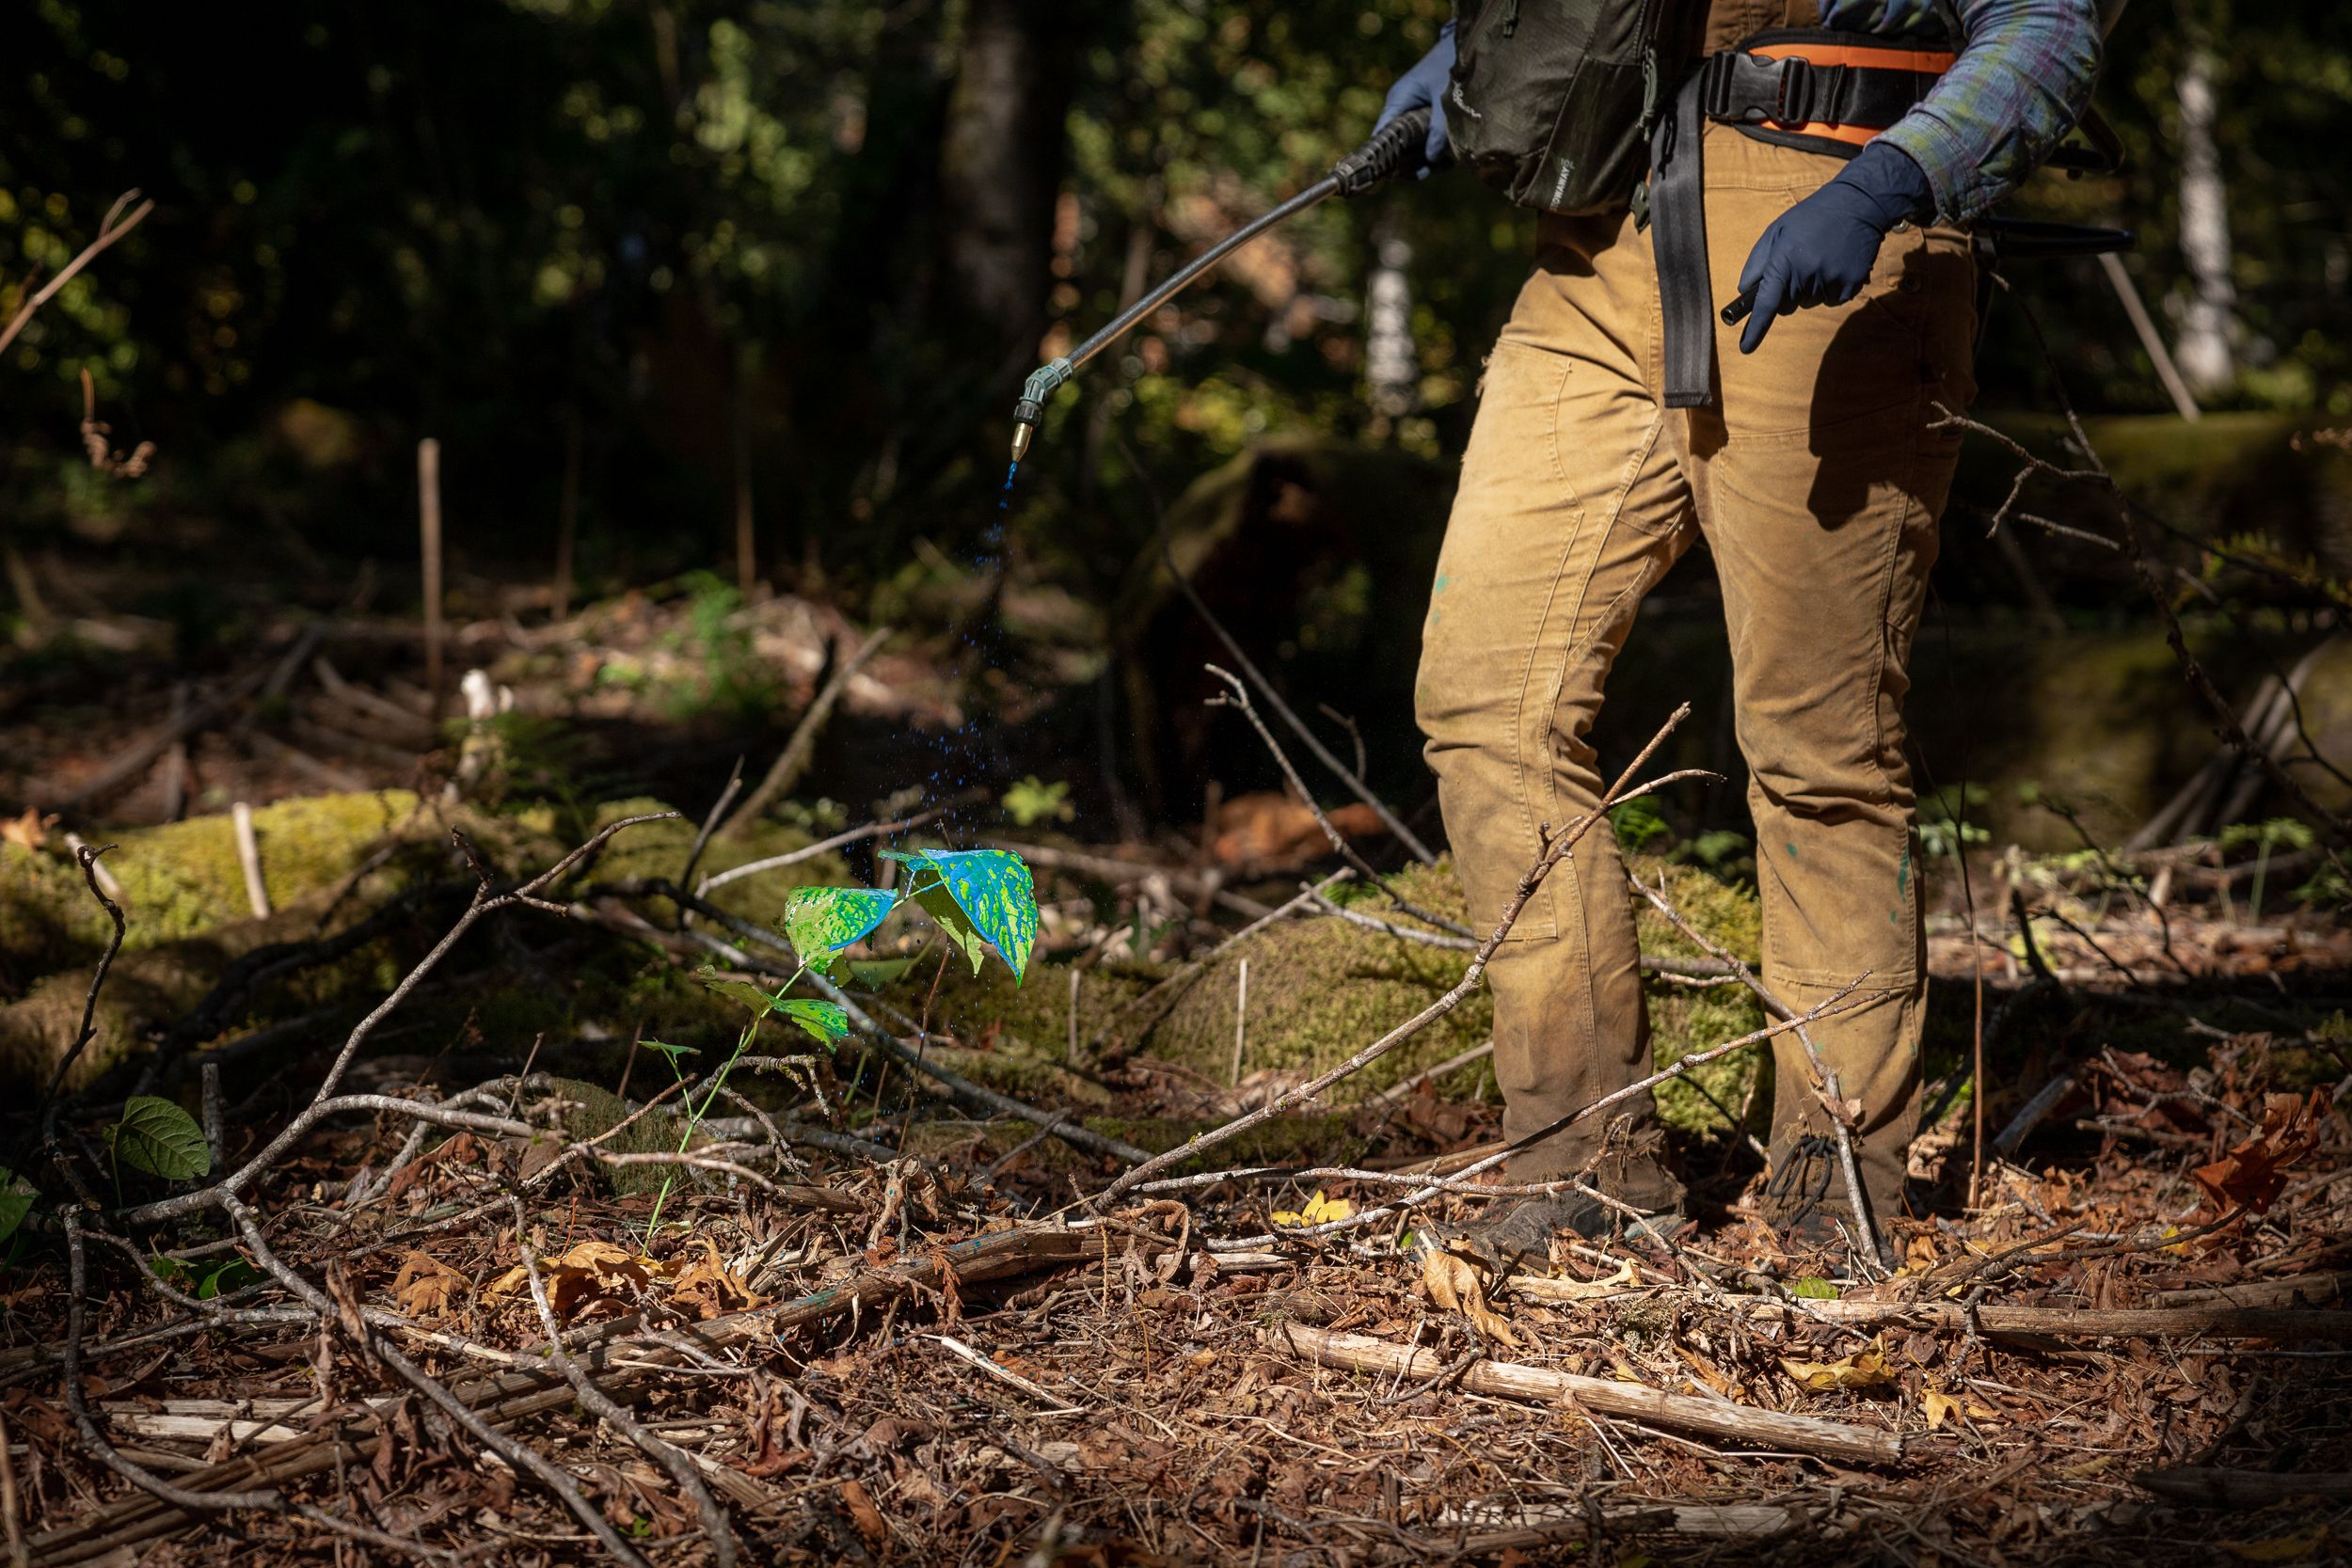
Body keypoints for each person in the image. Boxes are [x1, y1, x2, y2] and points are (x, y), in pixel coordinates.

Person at [1381, 0, 2105, 1263]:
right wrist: (1473, 48)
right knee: (1487, 697)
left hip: (1836, 212)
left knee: (1815, 745)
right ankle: (1582, 1160)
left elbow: (2050, 27)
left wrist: (1893, 181)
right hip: (1607, 228)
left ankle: (1841, 1179)